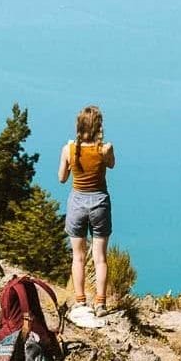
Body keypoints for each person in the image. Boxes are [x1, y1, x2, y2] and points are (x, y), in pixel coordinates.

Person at [58, 104, 114, 329]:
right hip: (99, 202)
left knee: (78, 257)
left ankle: (81, 302)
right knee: (100, 257)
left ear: (78, 125)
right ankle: (100, 303)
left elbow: (62, 178)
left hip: (77, 203)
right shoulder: (105, 148)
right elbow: (112, 165)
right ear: (99, 126)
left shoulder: (69, 149)